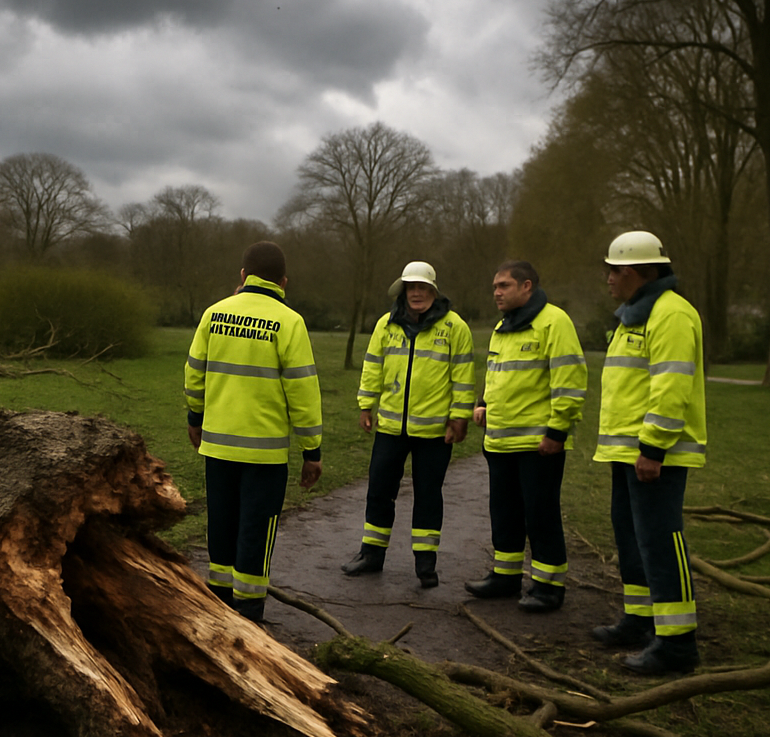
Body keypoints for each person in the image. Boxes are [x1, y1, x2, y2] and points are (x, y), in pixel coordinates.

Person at [184, 241, 323, 622]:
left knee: (221, 522)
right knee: (256, 530)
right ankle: (248, 611)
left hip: (218, 445)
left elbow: (194, 373)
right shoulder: (289, 322)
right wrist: (311, 451)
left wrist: (195, 417)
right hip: (265, 452)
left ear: (243, 275)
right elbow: (303, 392)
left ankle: (217, 602)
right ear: (283, 282)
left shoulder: (214, 314)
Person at [593, 230, 707, 675]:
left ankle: (677, 643)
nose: (608, 278)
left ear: (637, 272)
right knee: (632, 538)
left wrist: (653, 448)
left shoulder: (671, 314)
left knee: (660, 541)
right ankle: (640, 619)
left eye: (614, 270)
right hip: (629, 452)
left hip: (656, 455)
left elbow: (670, 386)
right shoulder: (635, 316)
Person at [342, 260, 474, 587]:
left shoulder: (455, 327)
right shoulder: (386, 325)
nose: (417, 293)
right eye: (411, 288)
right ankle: (371, 554)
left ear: (433, 291)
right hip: (390, 427)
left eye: (423, 288)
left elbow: (463, 376)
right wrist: (366, 405)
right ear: (403, 291)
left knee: (428, 495)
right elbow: (372, 366)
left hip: (434, 431)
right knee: (379, 491)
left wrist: (459, 416)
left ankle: (425, 563)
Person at [465, 261, 587, 612]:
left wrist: (557, 431)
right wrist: (482, 403)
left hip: (538, 444)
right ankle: (505, 577)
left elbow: (569, 381)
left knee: (541, 514)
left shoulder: (554, 322)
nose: (496, 293)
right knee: (504, 512)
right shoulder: (503, 327)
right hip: (500, 441)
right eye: (494, 287)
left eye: (503, 285)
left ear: (526, 286)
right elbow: (496, 374)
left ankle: (548, 587)